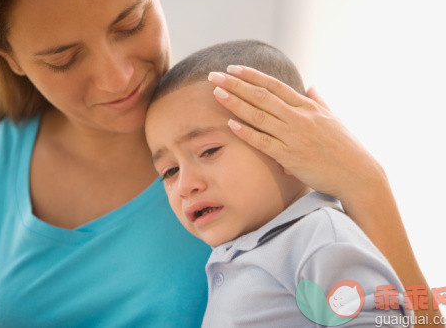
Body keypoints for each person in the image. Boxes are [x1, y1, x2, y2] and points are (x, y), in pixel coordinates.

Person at [0, 0, 441, 327]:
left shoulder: (257, 150)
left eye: (131, 23)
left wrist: (366, 185)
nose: (117, 77)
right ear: (10, 55)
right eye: (63, 58)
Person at [145, 39, 412, 327]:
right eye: (170, 171)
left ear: (291, 145)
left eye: (209, 151)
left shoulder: (318, 240)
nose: (186, 185)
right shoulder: (238, 254)